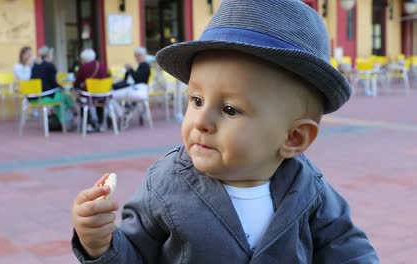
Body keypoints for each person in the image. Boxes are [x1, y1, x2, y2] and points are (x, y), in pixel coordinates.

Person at [71, 1, 379, 263]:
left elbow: (348, 248)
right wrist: (99, 243)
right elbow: (135, 252)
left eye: (230, 109)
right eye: (196, 100)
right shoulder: (165, 184)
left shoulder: (309, 188)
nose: (201, 120)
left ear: (293, 138)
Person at [31, 46, 74, 128]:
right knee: (64, 97)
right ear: (48, 55)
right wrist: (63, 87)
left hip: (35, 97)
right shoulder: (50, 66)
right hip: (46, 96)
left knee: (63, 96)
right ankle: (68, 120)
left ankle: (67, 118)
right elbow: (53, 83)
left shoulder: (35, 66)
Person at [74, 48, 109, 132]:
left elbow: (77, 83)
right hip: (103, 95)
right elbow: (107, 77)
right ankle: (100, 123)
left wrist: (76, 87)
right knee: (98, 100)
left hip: (88, 95)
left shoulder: (83, 68)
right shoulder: (102, 65)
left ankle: (88, 124)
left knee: (82, 100)